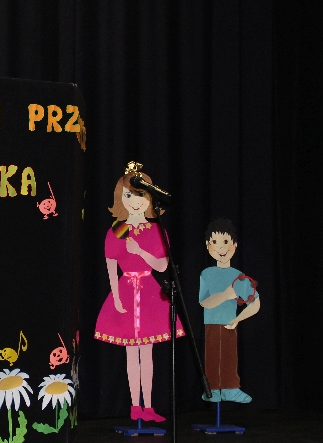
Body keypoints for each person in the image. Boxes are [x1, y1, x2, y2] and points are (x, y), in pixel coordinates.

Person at [94, 163, 183, 423]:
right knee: (131, 352)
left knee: (147, 352)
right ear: (120, 198)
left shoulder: (157, 231)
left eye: (141, 195)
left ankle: (149, 405)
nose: (135, 201)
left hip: (149, 292)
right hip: (125, 290)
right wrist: (116, 297)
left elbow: (162, 266)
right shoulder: (116, 230)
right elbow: (111, 267)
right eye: (129, 195)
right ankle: (135, 405)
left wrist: (140, 251)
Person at [198, 218, 260, 403]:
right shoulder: (206, 273)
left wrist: (237, 320)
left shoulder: (238, 276)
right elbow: (205, 303)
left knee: (229, 357)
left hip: (229, 324)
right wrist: (225, 295)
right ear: (208, 245)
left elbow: (255, 304)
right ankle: (211, 389)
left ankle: (231, 389)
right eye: (215, 242)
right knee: (211, 357)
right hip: (210, 324)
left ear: (234, 245)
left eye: (226, 241)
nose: (221, 247)